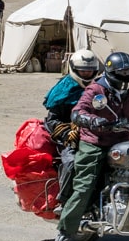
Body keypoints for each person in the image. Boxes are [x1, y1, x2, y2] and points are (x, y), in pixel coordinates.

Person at [51, 51, 129, 241]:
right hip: (94, 142)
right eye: (122, 72)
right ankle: (63, 235)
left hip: (122, 143)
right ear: (111, 72)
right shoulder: (96, 89)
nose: (126, 75)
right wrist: (93, 121)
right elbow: (78, 112)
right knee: (85, 185)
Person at [42, 50, 100, 193]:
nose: (87, 74)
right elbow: (52, 120)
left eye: (90, 71)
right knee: (72, 162)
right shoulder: (62, 89)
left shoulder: (99, 87)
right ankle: (65, 201)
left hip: (96, 135)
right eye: (83, 71)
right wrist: (68, 133)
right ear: (74, 69)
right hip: (69, 139)